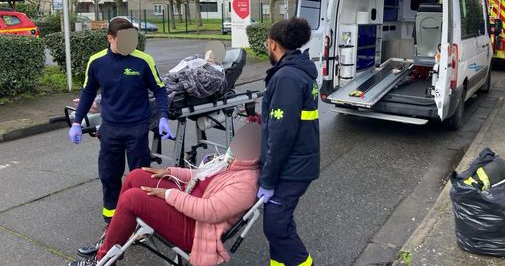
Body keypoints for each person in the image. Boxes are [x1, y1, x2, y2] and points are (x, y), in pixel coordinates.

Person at [66, 122, 262, 266]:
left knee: (132, 199)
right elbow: (200, 175)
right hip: (189, 203)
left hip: (196, 230)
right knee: (136, 175)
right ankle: (110, 241)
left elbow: (209, 211)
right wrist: (170, 172)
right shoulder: (232, 164)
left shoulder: (246, 182)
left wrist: (168, 194)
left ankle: (102, 260)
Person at [69, 17, 173, 256]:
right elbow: (87, 93)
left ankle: (143, 225)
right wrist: (76, 121)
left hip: (137, 128)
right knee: (109, 176)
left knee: (140, 178)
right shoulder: (96, 62)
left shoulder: (143, 60)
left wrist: (164, 116)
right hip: (110, 129)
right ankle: (112, 226)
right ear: (110, 38)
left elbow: (159, 89)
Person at [258, 17, 320, 266]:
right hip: (299, 162)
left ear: (273, 44)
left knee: (275, 227)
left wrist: (268, 179)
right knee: (280, 221)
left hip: (291, 167)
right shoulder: (299, 71)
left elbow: (281, 135)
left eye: (266, 43)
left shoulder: (287, 77)